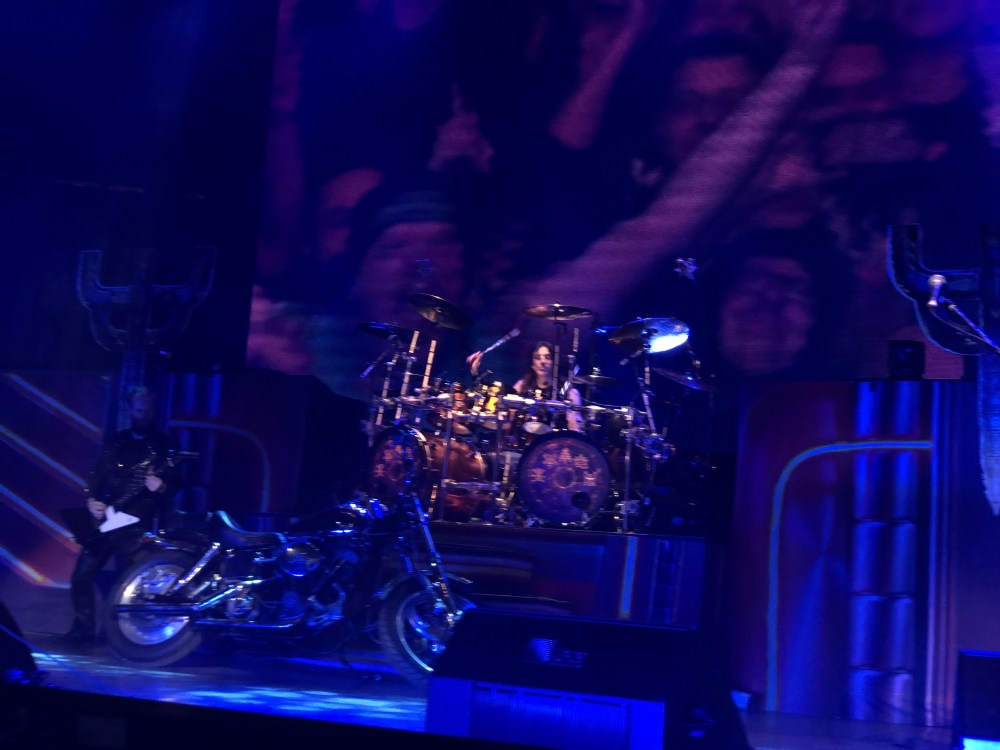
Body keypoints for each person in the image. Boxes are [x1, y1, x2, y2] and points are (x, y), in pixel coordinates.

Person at [61, 387, 179, 645]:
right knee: (81, 576)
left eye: (147, 411)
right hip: (108, 517)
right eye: (139, 410)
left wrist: (161, 487)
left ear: (154, 411)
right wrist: (92, 499)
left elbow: (176, 484)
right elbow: (98, 474)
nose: (143, 415)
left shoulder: (165, 445)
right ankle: (83, 630)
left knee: (138, 583)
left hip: (135, 521)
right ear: (131, 409)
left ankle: (134, 636)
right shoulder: (117, 441)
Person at [468, 340, 584, 433]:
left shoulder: (568, 392)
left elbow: (575, 429)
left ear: (555, 362)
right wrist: (475, 372)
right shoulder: (523, 385)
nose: (542, 361)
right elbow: (505, 412)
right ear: (532, 364)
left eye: (547, 357)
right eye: (537, 357)